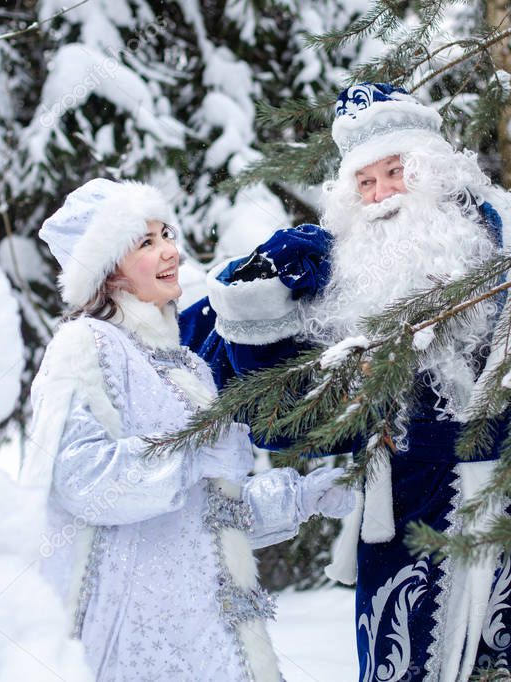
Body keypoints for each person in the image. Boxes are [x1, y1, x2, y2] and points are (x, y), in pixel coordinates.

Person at [179, 83, 511, 681]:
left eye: (394, 171)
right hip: (405, 507)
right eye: (366, 182)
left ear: (431, 169)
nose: (381, 195)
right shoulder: (343, 276)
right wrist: (263, 301)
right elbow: (282, 420)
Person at [20, 178, 355, 681]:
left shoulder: (185, 368)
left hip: (207, 637)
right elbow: (84, 482)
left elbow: (206, 516)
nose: (170, 251)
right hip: (131, 641)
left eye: (166, 234)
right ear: (107, 271)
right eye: (146, 243)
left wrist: (303, 497)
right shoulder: (86, 347)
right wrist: (196, 455)